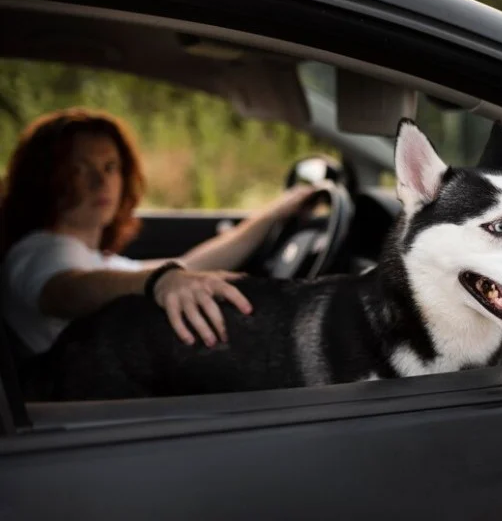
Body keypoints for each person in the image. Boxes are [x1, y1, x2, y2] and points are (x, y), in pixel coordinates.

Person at [0, 107, 317, 356]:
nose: (102, 182)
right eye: (78, 170)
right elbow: (65, 290)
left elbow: (189, 266)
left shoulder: (87, 256)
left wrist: (277, 211)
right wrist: (159, 282)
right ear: (42, 179)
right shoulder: (42, 251)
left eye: (111, 167)